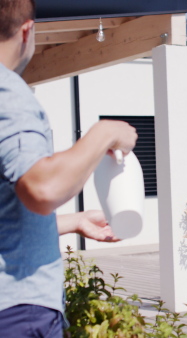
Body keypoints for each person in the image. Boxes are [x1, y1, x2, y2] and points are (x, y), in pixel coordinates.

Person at [0, 0, 138, 336]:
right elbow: (42, 189)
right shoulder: (8, 93)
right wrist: (105, 131)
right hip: (19, 310)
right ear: (27, 30)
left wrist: (74, 221)